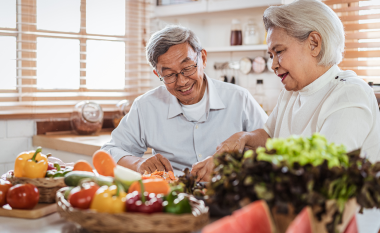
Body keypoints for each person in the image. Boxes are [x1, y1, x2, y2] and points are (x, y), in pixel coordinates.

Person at [216, 0, 380, 164]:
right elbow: (269, 137)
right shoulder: (290, 93)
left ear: (314, 43)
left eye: (279, 51)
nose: (273, 65)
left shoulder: (349, 94)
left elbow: (323, 171)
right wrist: (244, 137)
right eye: (271, 55)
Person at [101, 25, 268, 181]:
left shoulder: (239, 98)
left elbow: (272, 142)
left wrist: (243, 140)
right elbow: (109, 151)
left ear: (202, 58)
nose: (181, 82)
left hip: (229, 196)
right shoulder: (146, 106)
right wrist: (137, 164)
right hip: (173, 201)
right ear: (157, 73)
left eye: (188, 68)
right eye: (169, 75)